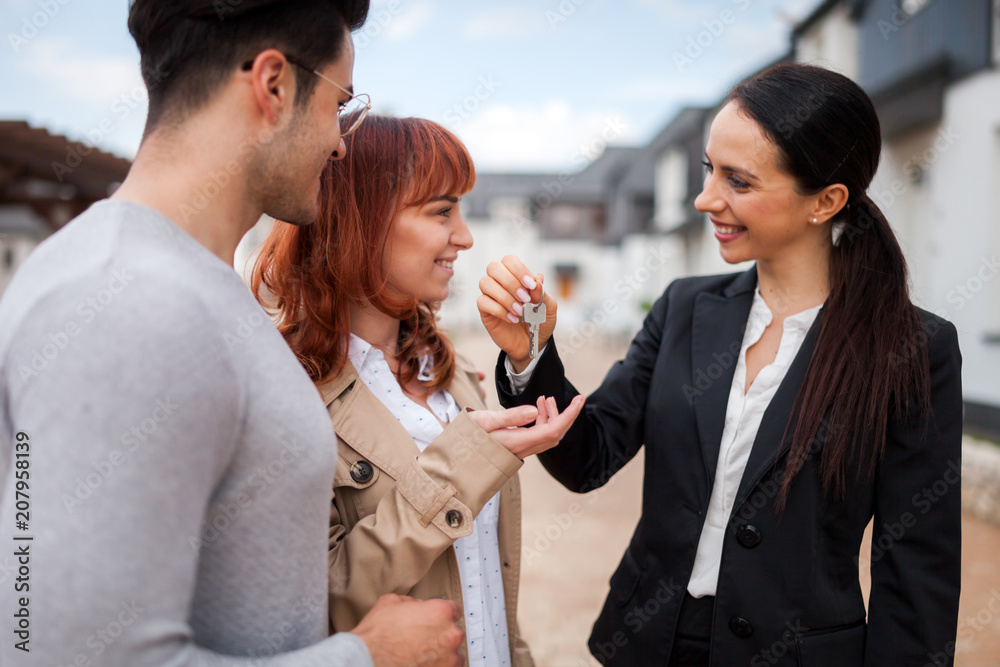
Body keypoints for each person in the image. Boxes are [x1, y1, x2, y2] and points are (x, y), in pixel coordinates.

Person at [0, 2, 465, 665]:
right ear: (273, 85)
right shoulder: (128, 299)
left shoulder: (190, 285)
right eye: (340, 105)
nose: (340, 142)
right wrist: (365, 657)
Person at [477, 63, 963, 666]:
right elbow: (589, 456)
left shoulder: (913, 349)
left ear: (827, 201)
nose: (706, 199)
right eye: (710, 170)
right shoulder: (684, 306)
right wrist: (530, 355)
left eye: (739, 181)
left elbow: (917, 574)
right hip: (650, 644)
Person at [250, 113, 585, 667]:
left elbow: (491, 586)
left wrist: (528, 354)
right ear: (363, 219)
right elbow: (320, 598)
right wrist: (459, 468)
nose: (465, 236)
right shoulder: (285, 391)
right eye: (441, 211)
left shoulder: (456, 375)